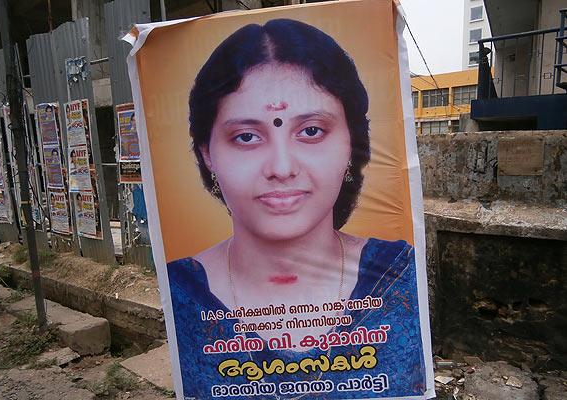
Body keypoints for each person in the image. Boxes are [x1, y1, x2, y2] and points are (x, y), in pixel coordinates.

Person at [166, 19, 425, 399]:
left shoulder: (399, 278)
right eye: (247, 137)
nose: (282, 168)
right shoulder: (181, 295)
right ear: (208, 155)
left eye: (311, 131)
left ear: (351, 143)